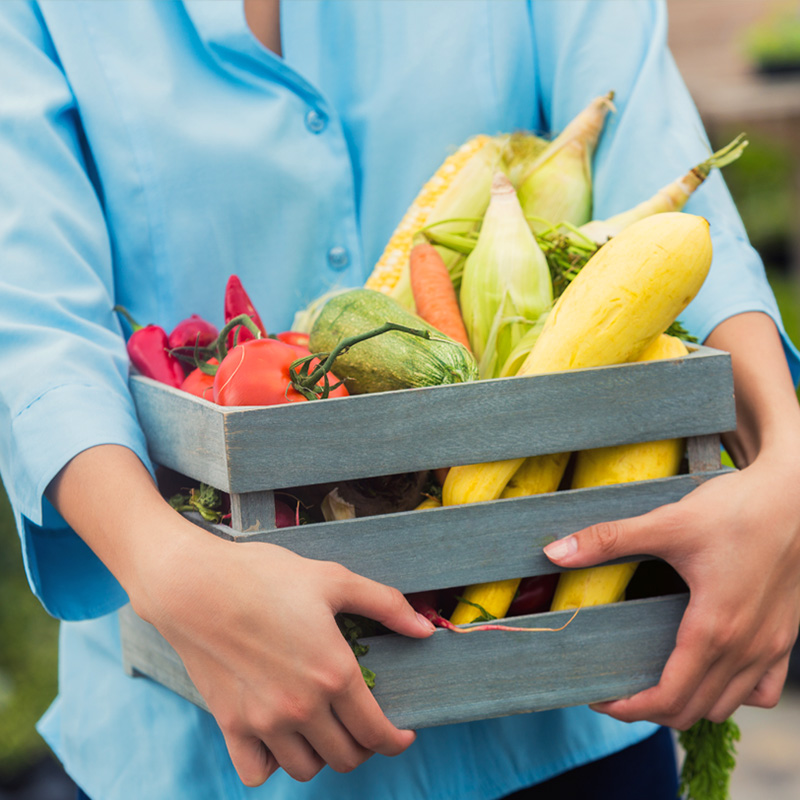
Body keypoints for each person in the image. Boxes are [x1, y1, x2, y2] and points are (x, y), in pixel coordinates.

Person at [1, 1, 799, 798]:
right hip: (206, 749)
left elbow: (664, 181)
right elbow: (33, 318)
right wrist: (168, 564)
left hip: (564, 713)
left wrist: (785, 470)